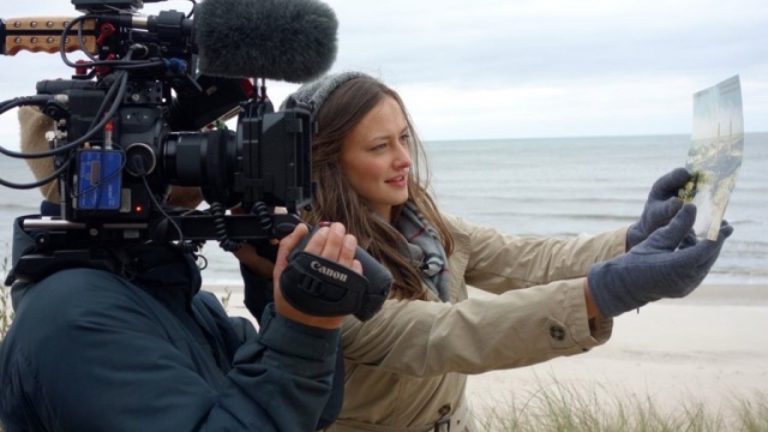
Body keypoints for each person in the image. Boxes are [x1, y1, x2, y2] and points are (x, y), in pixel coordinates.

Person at [237, 72, 733, 431]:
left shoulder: (422, 224)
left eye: (404, 138)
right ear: (328, 163)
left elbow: (526, 259)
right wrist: (610, 290)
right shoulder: (317, 270)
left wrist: (635, 238)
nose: (404, 159)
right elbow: (446, 335)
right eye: (379, 147)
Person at [0, 107, 360, 431]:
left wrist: (278, 287)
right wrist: (301, 333)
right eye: (190, 131)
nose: (219, 142)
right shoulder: (77, 317)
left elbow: (313, 411)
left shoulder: (182, 301)